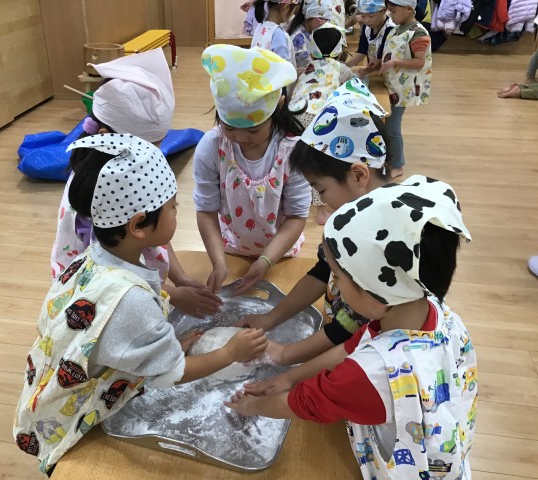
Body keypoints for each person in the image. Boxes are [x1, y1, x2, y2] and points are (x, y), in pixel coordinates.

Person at [14, 134, 268, 475]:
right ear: (138, 225)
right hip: (69, 416)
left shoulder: (92, 257)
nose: (177, 213)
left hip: (46, 386)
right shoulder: (131, 300)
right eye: (174, 207)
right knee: (74, 468)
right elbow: (173, 374)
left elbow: (111, 338)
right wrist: (231, 352)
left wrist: (160, 347)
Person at [227, 175, 477, 480]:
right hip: (444, 445)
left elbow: (307, 403)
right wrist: (289, 377)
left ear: (375, 294)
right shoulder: (429, 309)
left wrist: (253, 406)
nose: (335, 287)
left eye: (339, 277)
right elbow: (353, 345)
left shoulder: (371, 373)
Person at [50, 49, 222, 319]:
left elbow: (155, 230)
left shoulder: (134, 176)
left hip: (139, 286)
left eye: (158, 146)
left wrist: (180, 278)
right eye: (147, 147)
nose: (153, 156)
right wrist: (172, 295)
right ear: (106, 136)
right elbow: (112, 283)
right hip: (98, 302)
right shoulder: (100, 195)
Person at [239, 79, 390, 362]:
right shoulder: (350, 217)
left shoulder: (379, 238)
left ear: (358, 175)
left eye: (321, 190)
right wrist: (271, 318)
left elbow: (349, 327)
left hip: (372, 353)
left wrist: (285, 355)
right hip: (340, 335)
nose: (321, 199)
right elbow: (322, 273)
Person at [195, 44, 311, 296]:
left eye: (253, 130)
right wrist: (218, 263)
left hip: (280, 252)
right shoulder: (211, 146)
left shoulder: (292, 150)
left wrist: (265, 261)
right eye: (229, 127)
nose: (240, 138)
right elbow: (206, 210)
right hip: (229, 247)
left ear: (278, 105)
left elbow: (296, 217)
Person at [289, 23, 355, 225]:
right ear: (340, 49)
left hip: (294, 115)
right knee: (318, 164)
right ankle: (321, 211)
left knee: (299, 159)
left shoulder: (306, 68)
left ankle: (293, 197)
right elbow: (351, 92)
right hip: (319, 118)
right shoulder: (342, 68)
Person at [379, 0, 432, 180]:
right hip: (392, 84)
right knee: (388, 124)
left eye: (393, 11)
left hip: (403, 89)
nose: (390, 15)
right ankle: (389, 158)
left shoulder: (418, 33)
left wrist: (395, 62)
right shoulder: (396, 29)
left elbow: (419, 61)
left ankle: (397, 165)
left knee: (392, 128)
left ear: (409, 9)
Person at [288, 0, 349, 74]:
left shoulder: (312, 33)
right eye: (322, 19)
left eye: (327, 19)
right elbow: (311, 70)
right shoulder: (298, 40)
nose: (324, 23)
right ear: (309, 16)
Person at [345, 0, 395, 79]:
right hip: (374, 71)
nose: (366, 21)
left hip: (388, 73)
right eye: (363, 16)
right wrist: (344, 67)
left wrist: (368, 70)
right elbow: (362, 51)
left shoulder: (390, 29)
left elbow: (385, 57)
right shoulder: (367, 27)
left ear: (384, 11)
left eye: (371, 16)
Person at [251, 0, 301, 66]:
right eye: (293, 9)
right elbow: (282, 67)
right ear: (286, 6)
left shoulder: (260, 27)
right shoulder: (278, 34)